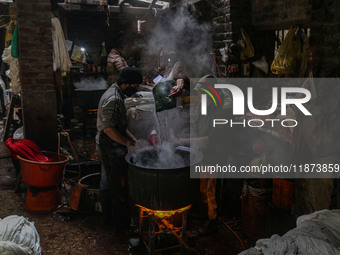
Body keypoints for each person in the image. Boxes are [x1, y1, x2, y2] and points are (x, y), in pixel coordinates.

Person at [96, 66, 142, 233]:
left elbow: (118, 125)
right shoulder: (114, 99)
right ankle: (121, 227)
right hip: (109, 146)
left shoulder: (115, 92)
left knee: (106, 182)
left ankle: (107, 218)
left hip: (108, 142)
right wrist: (127, 144)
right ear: (126, 84)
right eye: (134, 86)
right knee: (118, 188)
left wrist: (132, 139)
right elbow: (109, 129)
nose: (135, 89)